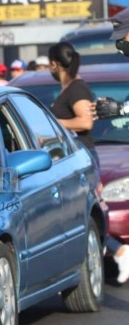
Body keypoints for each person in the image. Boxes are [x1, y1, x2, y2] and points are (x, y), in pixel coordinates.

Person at [48, 41, 129, 284]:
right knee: (84, 212)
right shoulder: (70, 89)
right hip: (72, 158)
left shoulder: (76, 89)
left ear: (54, 64)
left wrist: (52, 124)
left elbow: (85, 122)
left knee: (90, 210)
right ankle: (118, 250)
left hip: (82, 156)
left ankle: (119, 251)